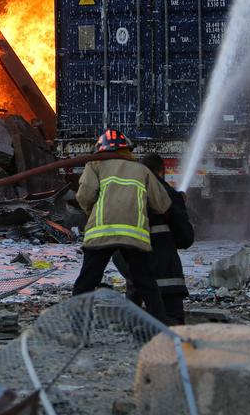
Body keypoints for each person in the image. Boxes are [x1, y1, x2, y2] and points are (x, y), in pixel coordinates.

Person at [72, 129, 172, 323]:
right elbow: (162, 204)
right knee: (146, 283)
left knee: (86, 282)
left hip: (102, 231)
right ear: (128, 149)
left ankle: (77, 332)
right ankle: (160, 329)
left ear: (100, 149)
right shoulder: (141, 170)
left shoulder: (95, 165)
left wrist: (90, 211)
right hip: (134, 234)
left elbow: (85, 195)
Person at [126, 153, 195, 324]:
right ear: (161, 171)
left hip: (134, 267)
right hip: (166, 274)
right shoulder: (169, 195)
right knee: (171, 321)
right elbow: (185, 238)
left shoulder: (128, 194)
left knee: (136, 320)